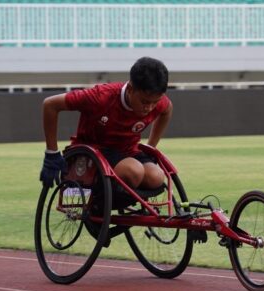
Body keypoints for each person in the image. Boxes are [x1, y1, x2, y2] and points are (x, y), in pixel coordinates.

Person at [40, 56, 173, 192]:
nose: (150, 108)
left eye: (155, 102)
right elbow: (50, 104)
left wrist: (151, 146)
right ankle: (100, 200)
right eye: (144, 102)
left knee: (156, 177)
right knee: (134, 171)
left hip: (127, 151)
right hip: (94, 152)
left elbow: (167, 109)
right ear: (130, 89)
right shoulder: (100, 97)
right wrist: (52, 153)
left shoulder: (156, 101)